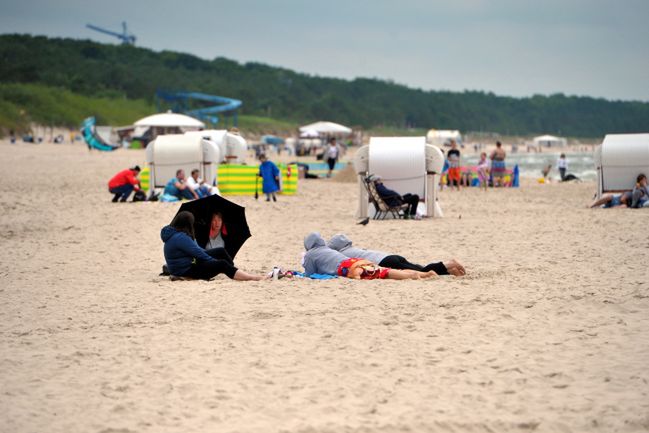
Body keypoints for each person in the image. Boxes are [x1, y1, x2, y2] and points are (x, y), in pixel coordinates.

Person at [161, 211, 266, 281]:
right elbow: (198, 254)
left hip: (184, 265)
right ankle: (253, 278)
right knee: (222, 264)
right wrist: (213, 261)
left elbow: (196, 250)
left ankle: (233, 270)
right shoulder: (181, 237)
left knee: (220, 251)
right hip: (185, 271)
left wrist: (193, 240)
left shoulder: (175, 233)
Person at [302, 233, 436, 280]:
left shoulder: (310, 254)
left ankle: (412, 276)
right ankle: (424, 273)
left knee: (383, 274)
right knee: (382, 271)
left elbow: (309, 273)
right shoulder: (325, 249)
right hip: (356, 261)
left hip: (349, 267)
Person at [327, 234, 466, 276]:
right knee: (420, 268)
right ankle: (449, 271)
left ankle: (449, 263)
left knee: (422, 272)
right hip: (390, 256)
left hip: (385, 263)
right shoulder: (354, 248)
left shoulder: (344, 255)